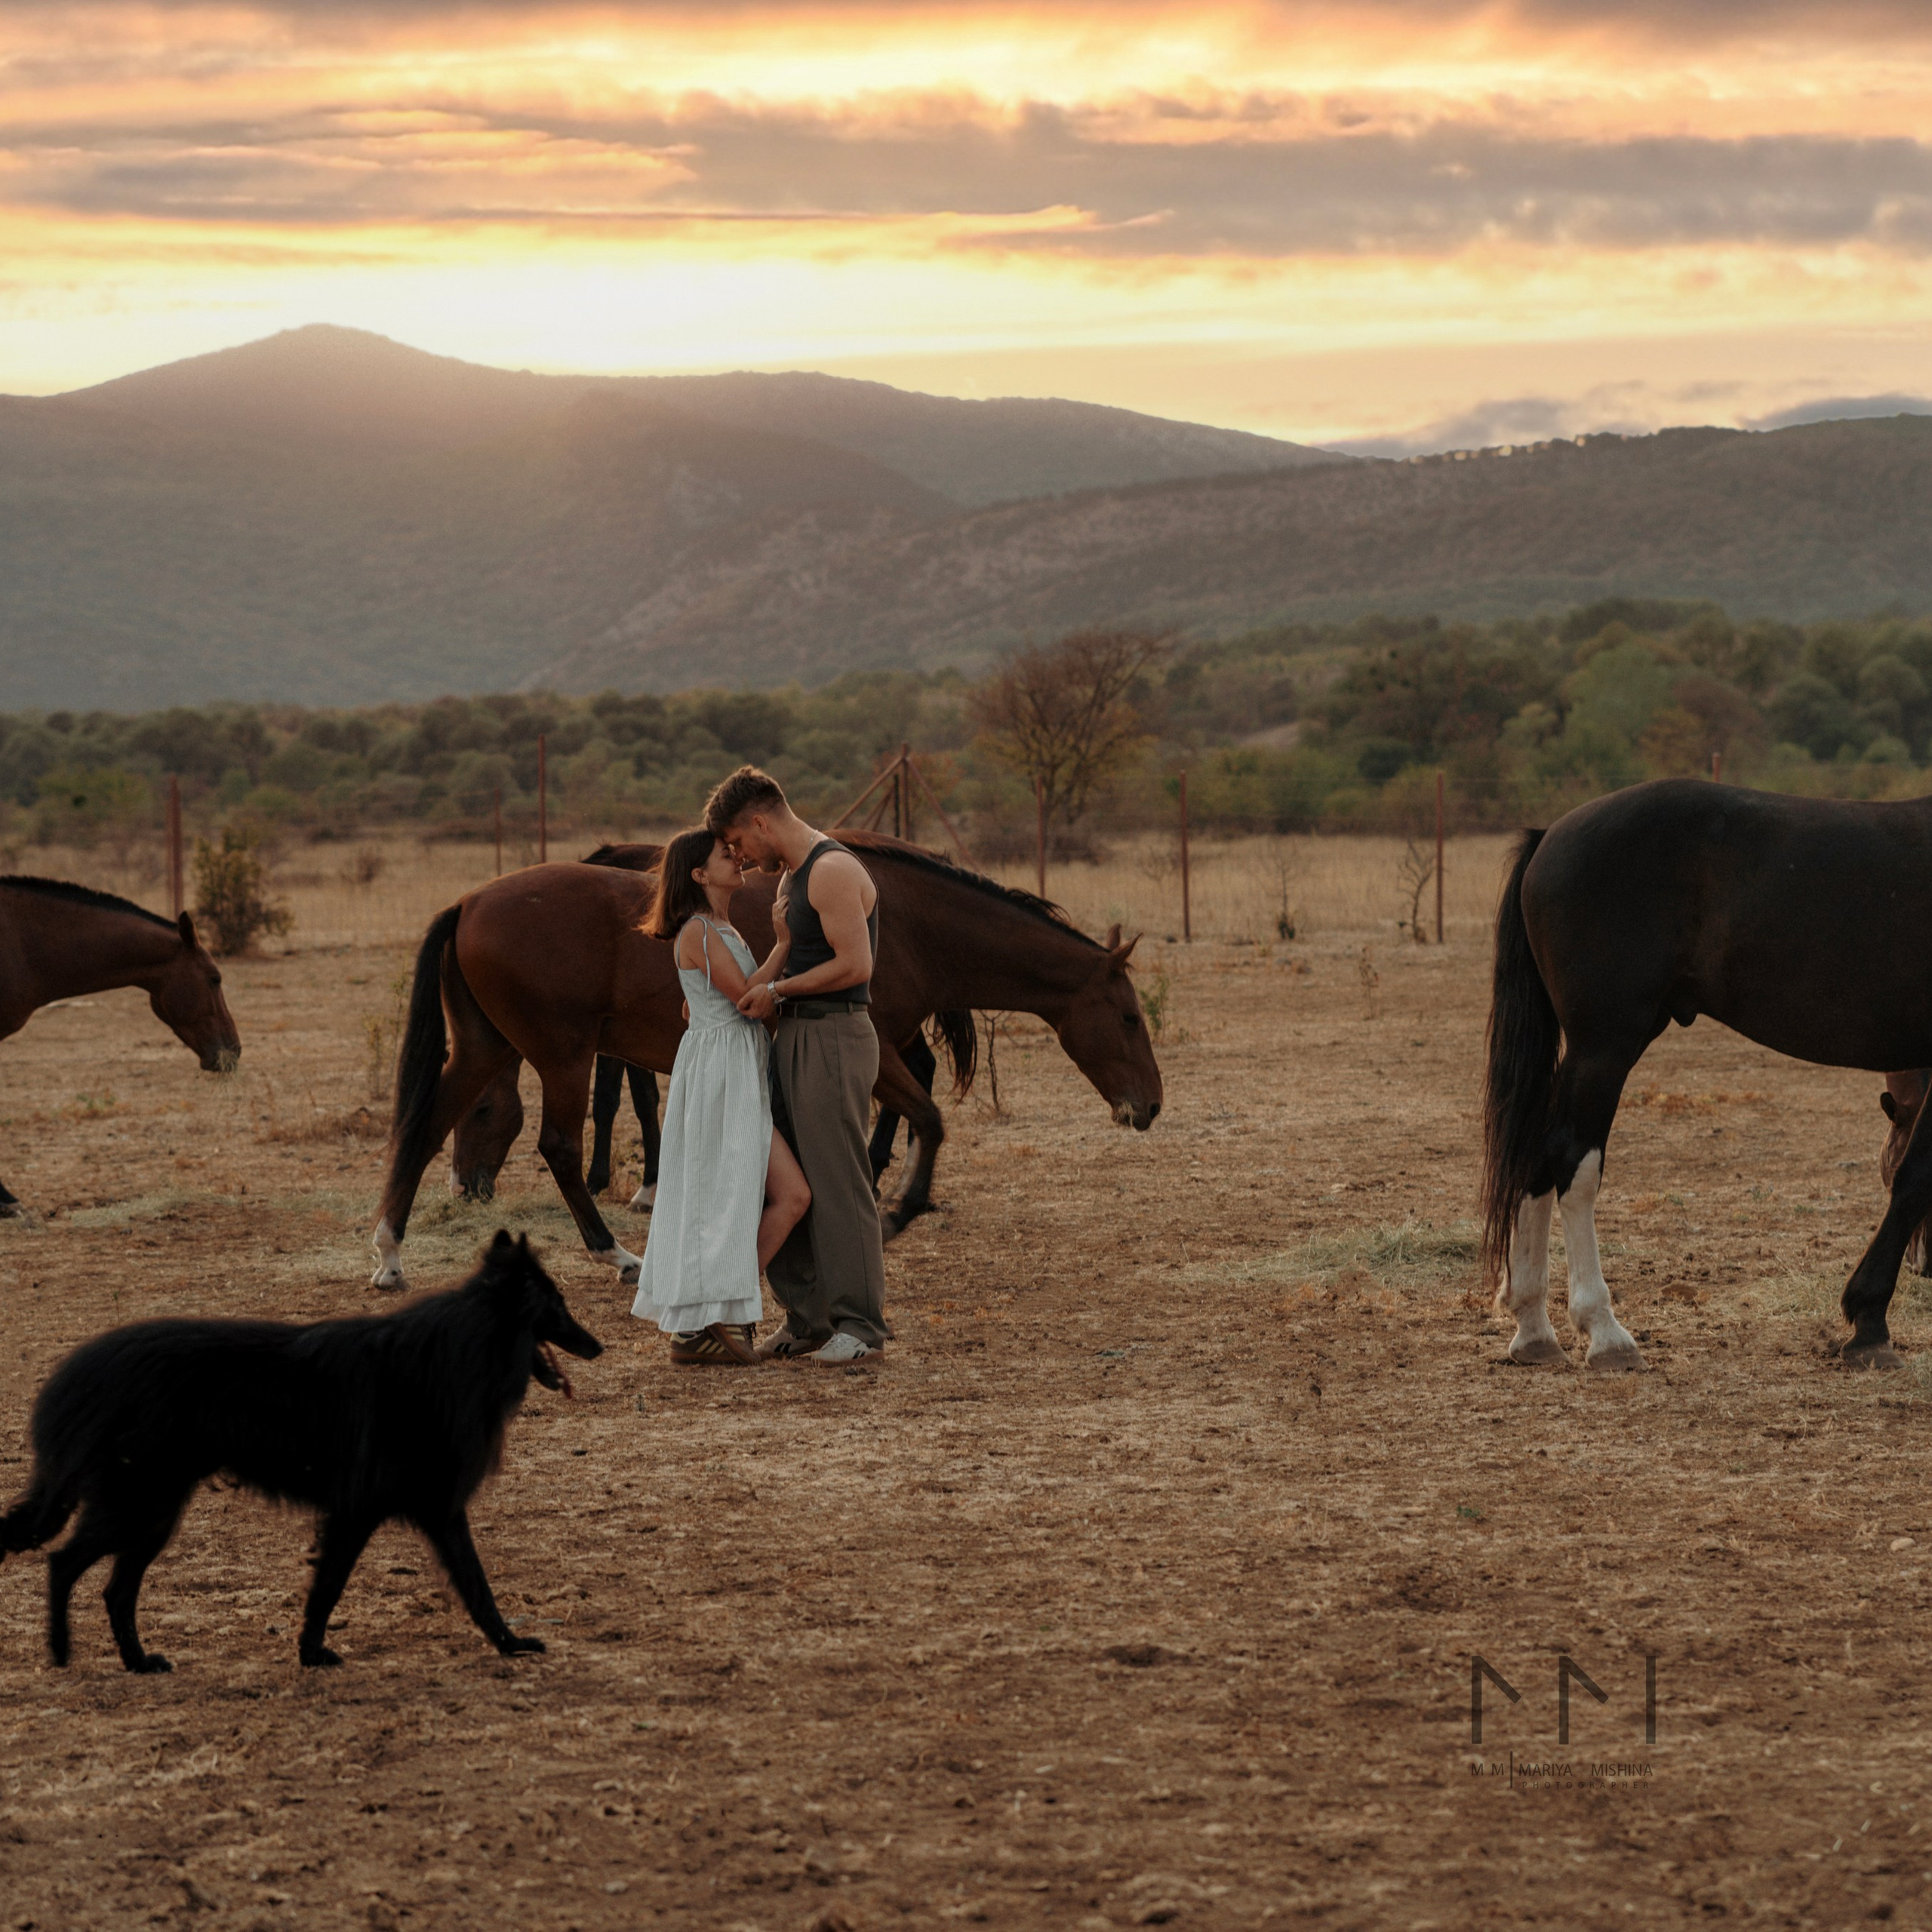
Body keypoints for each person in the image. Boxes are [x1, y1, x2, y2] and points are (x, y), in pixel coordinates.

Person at [704, 765, 891, 1365]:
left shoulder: (831, 871)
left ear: (760, 821)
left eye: (737, 841)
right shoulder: (790, 878)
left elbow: (856, 965)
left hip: (833, 1035)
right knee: (783, 1181)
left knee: (838, 1182)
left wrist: (780, 993)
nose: (737, 854)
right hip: (794, 1038)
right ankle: (807, 1319)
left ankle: (860, 1328)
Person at [629, 826, 811, 1366]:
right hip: (722, 1078)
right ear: (699, 875)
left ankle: (713, 1318)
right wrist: (784, 945)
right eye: (724, 856)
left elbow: (696, 1006)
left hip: (733, 1069)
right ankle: (709, 1323)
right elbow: (750, 1003)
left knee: (788, 1196)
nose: (738, 859)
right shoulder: (698, 931)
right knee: (744, 1195)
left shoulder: (718, 929)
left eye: (735, 851)